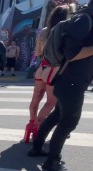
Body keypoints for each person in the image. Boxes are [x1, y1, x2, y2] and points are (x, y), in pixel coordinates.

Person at [28, 1, 93, 171]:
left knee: (57, 115)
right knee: (69, 121)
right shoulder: (84, 20)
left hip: (68, 79)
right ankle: (52, 160)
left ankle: (37, 147)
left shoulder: (83, 18)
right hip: (72, 80)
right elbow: (72, 53)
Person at [26, 6, 69, 140]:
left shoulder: (44, 31)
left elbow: (38, 52)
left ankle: (31, 123)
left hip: (42, 67)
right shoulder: (65, 30)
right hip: (54, 69)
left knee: (36, 99)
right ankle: (37, 127)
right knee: (51, 103)